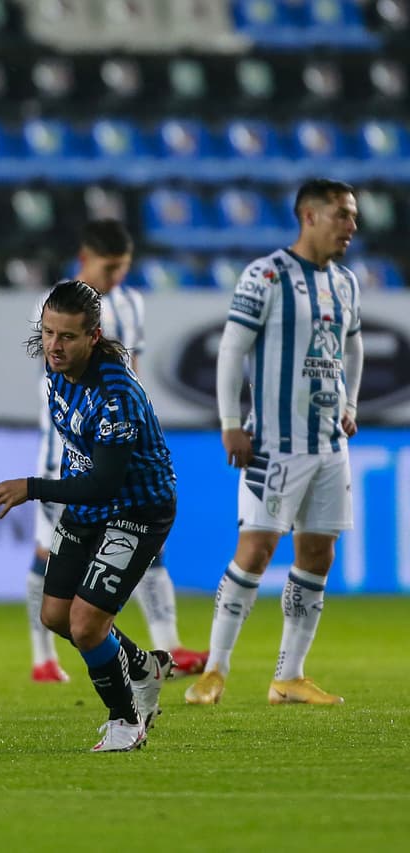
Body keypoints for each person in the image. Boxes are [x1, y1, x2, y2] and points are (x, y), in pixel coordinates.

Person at [184, 179, 363, 707]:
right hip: (275, 443)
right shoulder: (266, 275)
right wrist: (230, 421)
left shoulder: (347, 282)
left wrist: (349, 404)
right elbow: (230, 350)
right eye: (342, 215)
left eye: (353, 217)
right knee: (256, 550)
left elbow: (352, 349)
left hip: (330, 444)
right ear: (308, 216)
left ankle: (289, 676)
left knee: (318, 556)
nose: (351, 226)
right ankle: (214, 671)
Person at [0, 280, 176, 752]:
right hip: (87, 508)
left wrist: (32, 488)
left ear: (93, 335)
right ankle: (144, 666)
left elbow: (106, 482)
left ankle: (127, 720)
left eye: (66, 336)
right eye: (47, 333)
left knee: (87, 625)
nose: (53, 346)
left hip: (137, 509)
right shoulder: (55, 373)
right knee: (56, 616)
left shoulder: (116, 394)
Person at [25, 221, 208, 684]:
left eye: (123, 269)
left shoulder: (129, 303)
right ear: (86, 256)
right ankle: (43, 656)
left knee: (140, 549)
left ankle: (162, 646)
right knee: (50, 559)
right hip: (64, 455)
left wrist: (130, 428)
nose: (116, 279)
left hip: (114, 447)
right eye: (110, 268)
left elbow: (133, 375)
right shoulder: (55, 307)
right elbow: (55, 381)